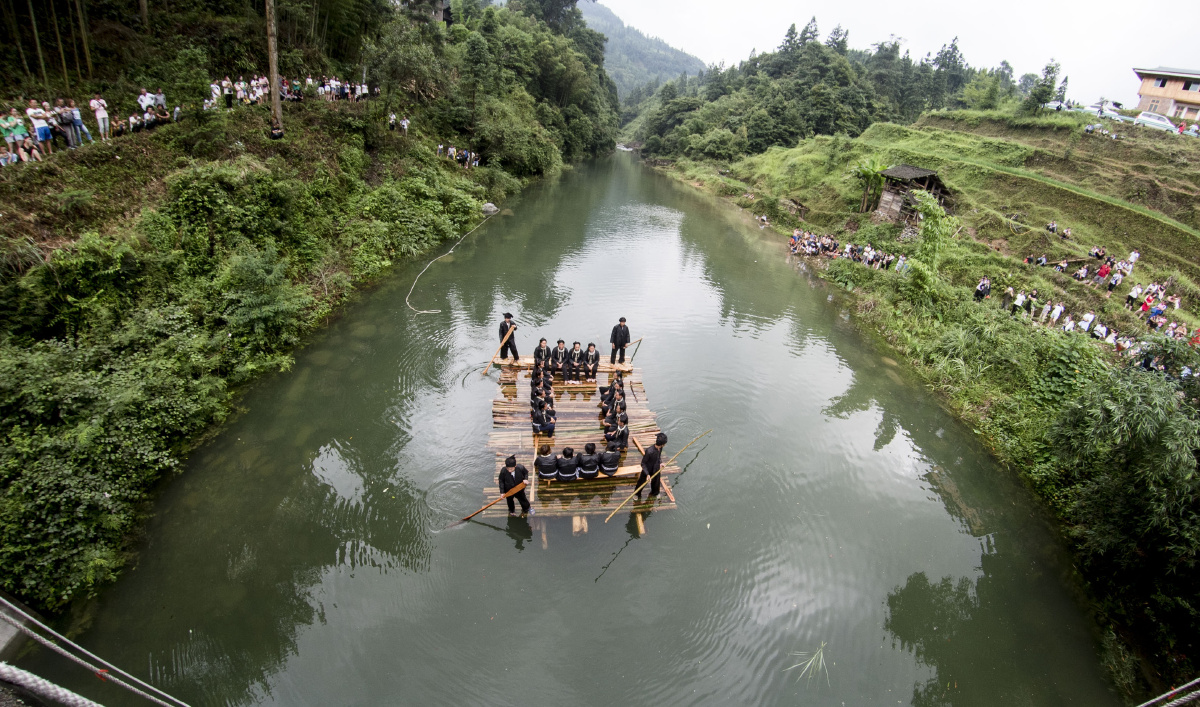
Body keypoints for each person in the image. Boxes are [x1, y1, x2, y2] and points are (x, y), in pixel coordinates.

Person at [635, 432, 668, 499]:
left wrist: (660, 463)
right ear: (662, 444)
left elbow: (658, 457)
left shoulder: (660, 448)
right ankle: (637, 494)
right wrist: (647, 474)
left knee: (656, 481)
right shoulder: (649, 451)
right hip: (647, 469)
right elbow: (643, 463)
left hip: (656, 467)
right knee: (641, 482)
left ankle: (655, 493)